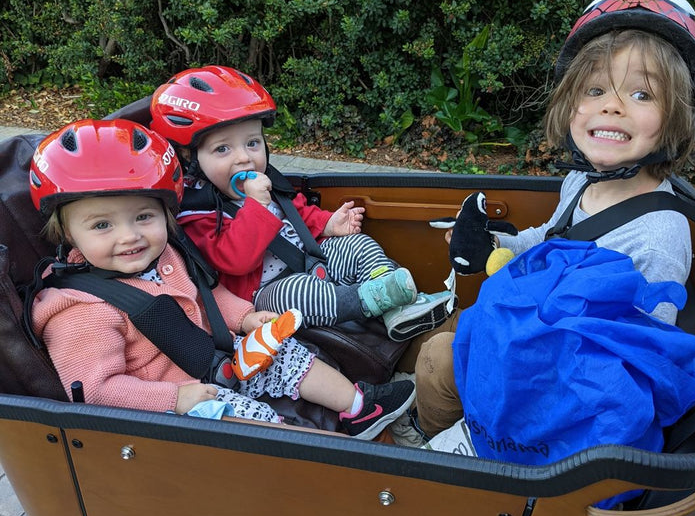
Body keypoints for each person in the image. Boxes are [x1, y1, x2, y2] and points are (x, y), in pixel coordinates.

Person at [408, 0, 695, 442]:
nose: (611, 105)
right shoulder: (583, 182)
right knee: (449, 325)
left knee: (438, 359)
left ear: (677, 120)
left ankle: (439, 446)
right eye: (595, 89)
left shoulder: (656, 240)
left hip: (558, 389)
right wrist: (499, 246)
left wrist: (513, 355)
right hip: (536, 335)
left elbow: (637, 362)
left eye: (641, 93)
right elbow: (551, 240)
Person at [28, 119, 415, 440]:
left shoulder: (167, 254)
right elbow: (97, 390)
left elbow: (210, 293)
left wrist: (246, 318)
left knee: (286, 355)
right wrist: (177, 398)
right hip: (178, 404)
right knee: (248, 424)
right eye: (101, 225)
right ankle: (335, 454)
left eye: (144, 217)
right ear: (66, 233)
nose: (129, 236)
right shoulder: (78, 310)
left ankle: (359, 407)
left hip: (221, 355)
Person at [148, 65, 454, 342]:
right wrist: (255, 204)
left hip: (311, 258)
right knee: (297, 294)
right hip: (265, 291)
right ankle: (367, 300)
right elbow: (236, 260)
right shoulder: (200, 214)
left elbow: (297, 212)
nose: (244, 157)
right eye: (223, 149)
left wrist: (329, 223)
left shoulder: (268, 181)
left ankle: (393, 301)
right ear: (190, 160)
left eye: (252, 143)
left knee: (358, 245)